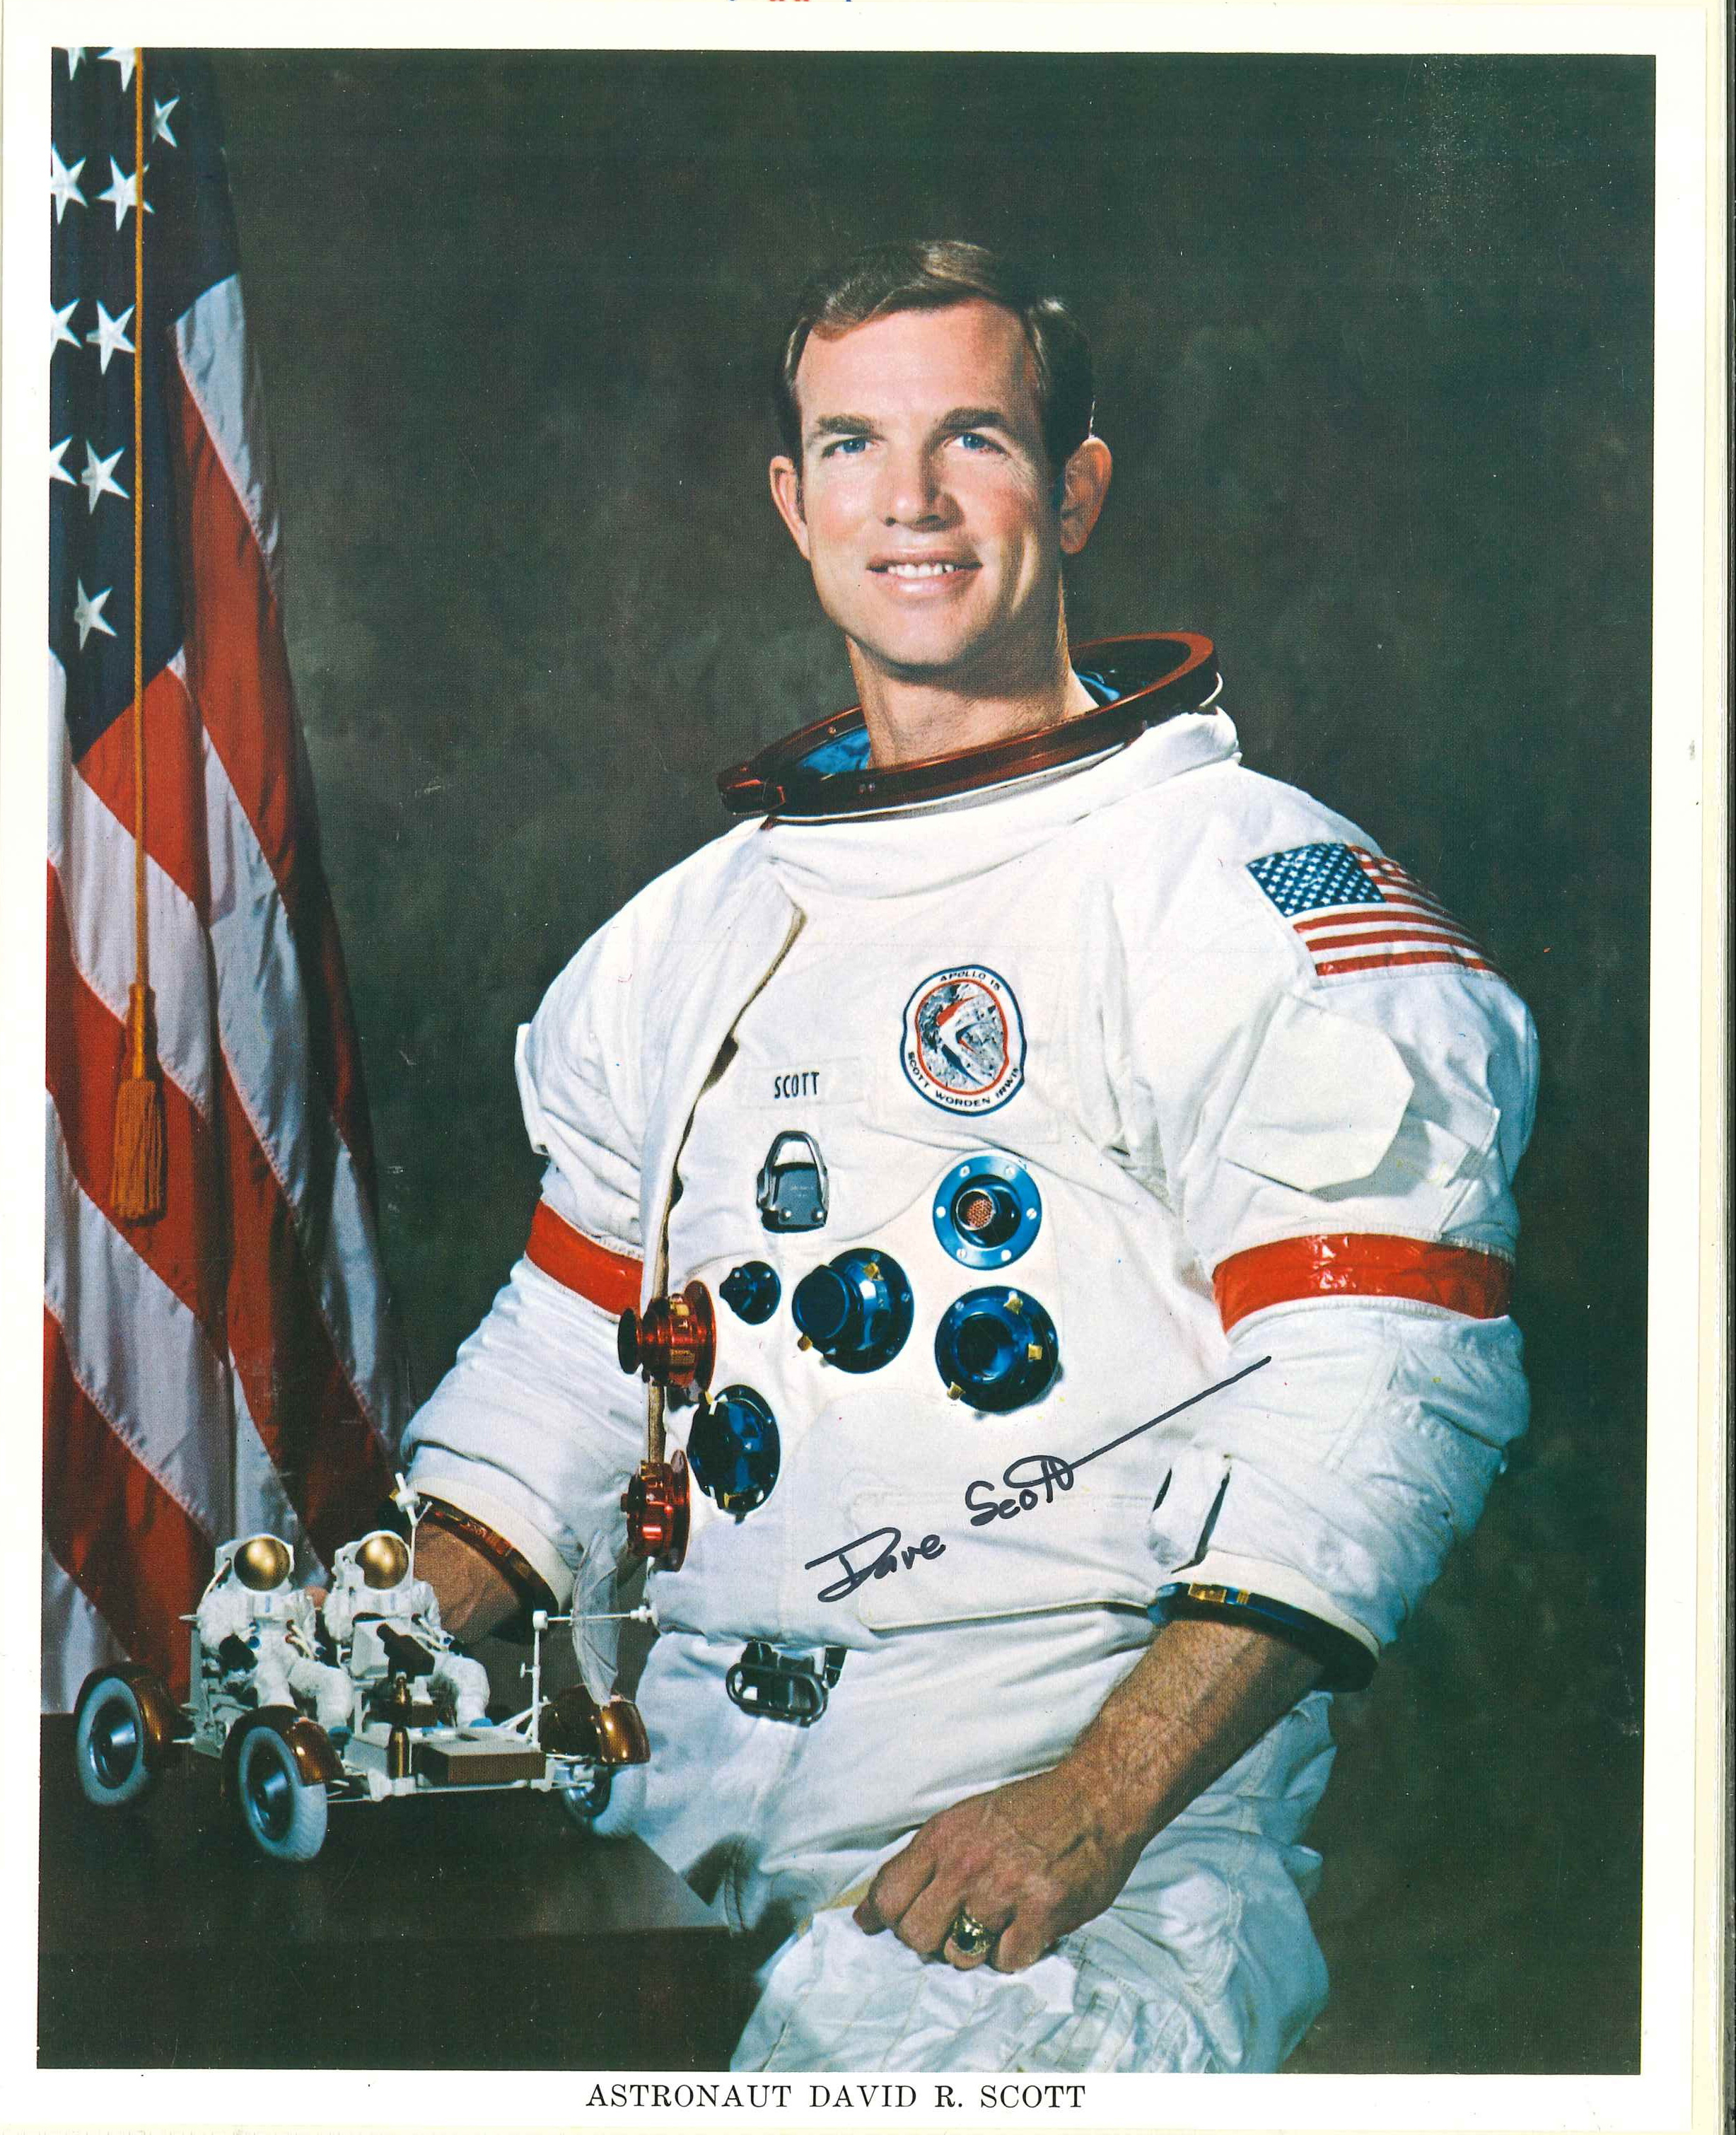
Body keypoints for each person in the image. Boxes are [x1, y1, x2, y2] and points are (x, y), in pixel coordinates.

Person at [401, 240, 1537, 2072]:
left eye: (975, 441)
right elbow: (569, 1360)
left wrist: (1095, 1804)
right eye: (853, 445)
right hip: (668, 1819)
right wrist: (379, 1627)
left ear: (1075, 491)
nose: (911, 501)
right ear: (795, 502)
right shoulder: (680, 938)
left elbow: (1384, 1382)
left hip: (1063, 1860)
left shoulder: (1236, 885)